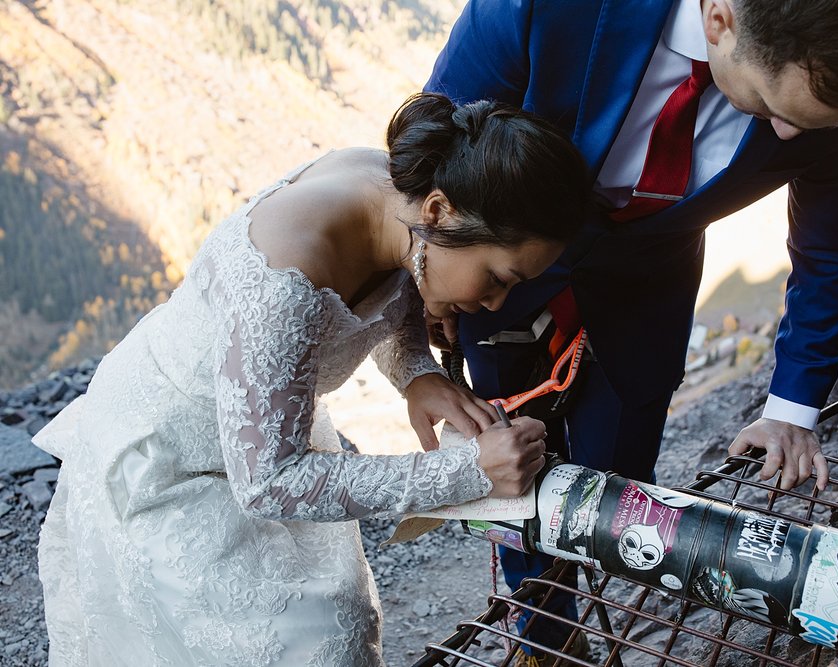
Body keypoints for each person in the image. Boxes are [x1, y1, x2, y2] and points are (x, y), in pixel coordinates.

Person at [425, 0, 838, 662]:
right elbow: (435, 150)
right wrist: (423, 300)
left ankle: (602, 597)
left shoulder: (831, 79)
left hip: (646, 295)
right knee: (510, 473)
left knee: (621, 479)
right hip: (498, 284)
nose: (792, 137)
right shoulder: (540, 10)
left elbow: (832, 248)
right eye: (776, 109)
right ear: (719, 19)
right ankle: (544, 636)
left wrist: (792, 410)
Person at [33, 92, 592, 666]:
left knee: (335, 619)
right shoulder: (285, 280)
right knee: (306, 642)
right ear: (439, 213)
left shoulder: (392, 192)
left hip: (261, 431)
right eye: (497, 277)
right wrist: (468, 472)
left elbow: (393, 273)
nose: (495, 302)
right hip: (169, 460)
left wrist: (416, 373)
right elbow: (269, 482)